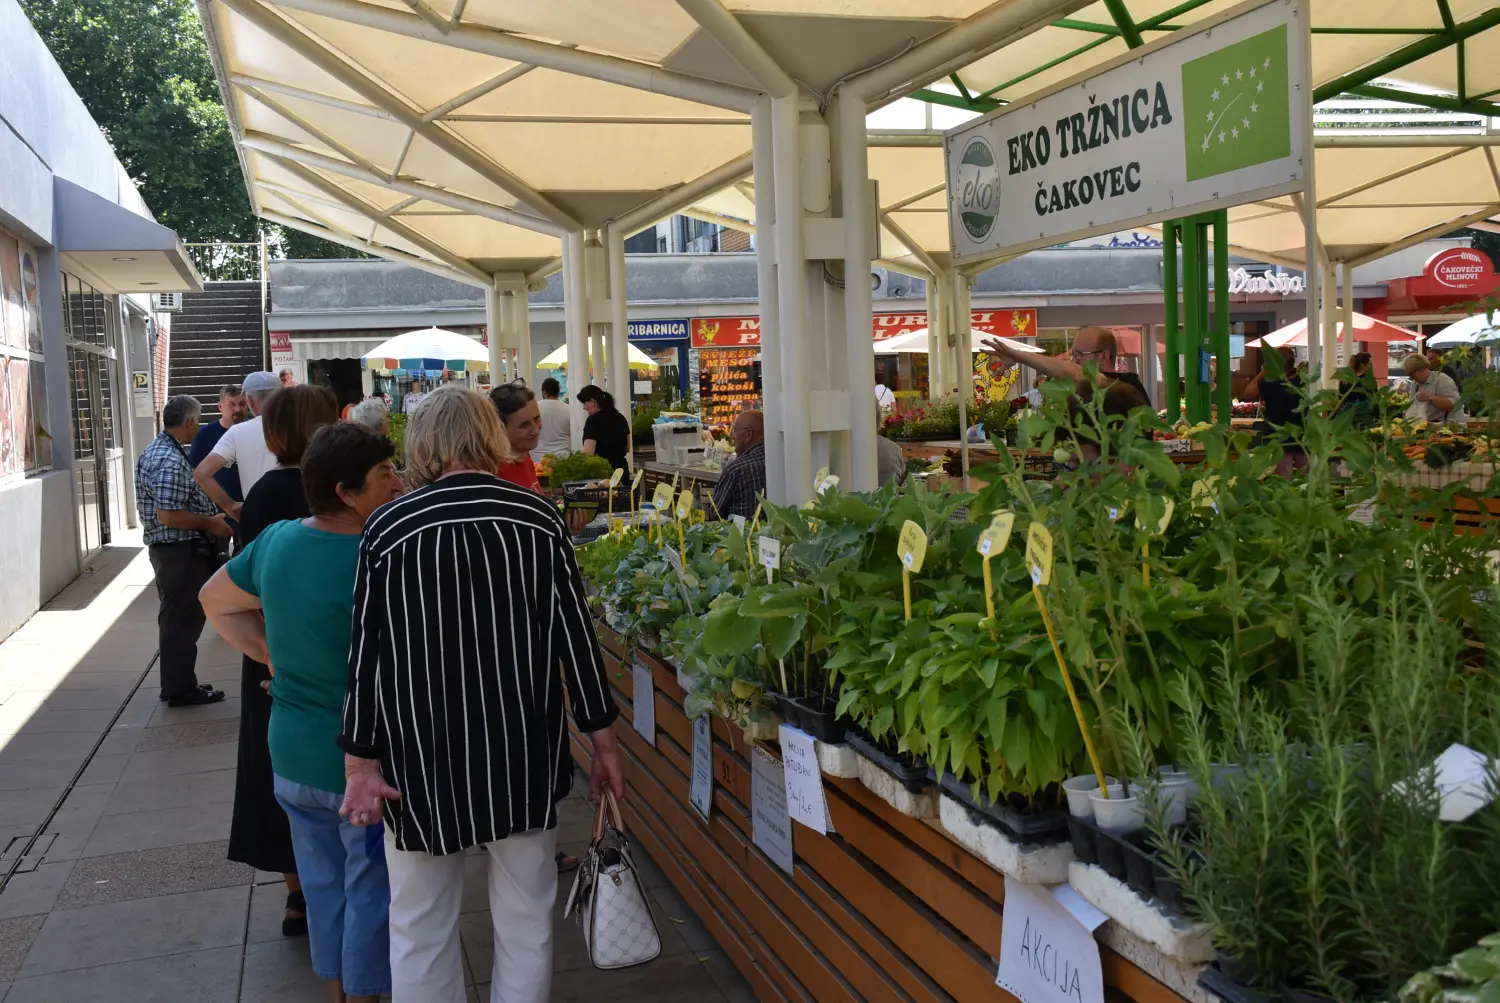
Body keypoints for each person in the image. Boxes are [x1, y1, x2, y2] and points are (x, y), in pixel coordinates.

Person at [336, 385, 623, 1003]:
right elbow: (577, 642)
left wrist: (359, 761)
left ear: (426, 443)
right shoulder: (538, 519)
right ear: (490, 437)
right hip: (519, 756)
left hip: (418, 762)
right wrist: (605, 745)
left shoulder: (387, 528)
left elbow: (367, 658)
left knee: (418, 924)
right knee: (526, 922)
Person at [201, 422, 403, 1003]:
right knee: (370, 885)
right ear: (345, 490)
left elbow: (215, 601)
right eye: (382, 475)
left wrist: (269, 654)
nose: (393, 482)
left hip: (289, 749)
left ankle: (338, 991)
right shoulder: (380, 553)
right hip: (360, 758)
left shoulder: (279, 541)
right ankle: (365, 995)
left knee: (321, 885)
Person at [226, 384, 341, 937]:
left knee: (281, 772)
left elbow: (239, 589)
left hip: (273, 649)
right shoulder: (333, 492)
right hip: (320, 646)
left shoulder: (267, 492)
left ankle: (299, 894)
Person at [134, 395, 233, 706]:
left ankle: (179, 683)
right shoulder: (166, 459)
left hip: (179, 550)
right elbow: (169, 514)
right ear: (190, 422)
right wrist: (210, 523)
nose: (198, 426)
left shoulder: (167, 451)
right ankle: (179, 689)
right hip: (178, 551)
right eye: (198, 419)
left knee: (180, 619)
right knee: (180, 621)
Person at [195, 370, 281, 520]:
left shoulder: (237, 432)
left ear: (249, 401)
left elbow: (201, 473)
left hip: (257, 515)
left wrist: (230, 506)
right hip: (299, 518)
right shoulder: (302, 426)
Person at [982, 327, 1147, 400]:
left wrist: (1019, 355)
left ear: (1103, 357)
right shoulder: (1083, 390)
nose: (1074, 360)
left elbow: (1077, 373)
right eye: (1073, 354)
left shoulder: (1126, 385)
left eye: (1079, 354)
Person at [188, 384, 251, 513]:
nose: (238, 409)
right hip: (218, 508)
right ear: (220, 407)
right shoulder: (204, 435)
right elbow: (195, 472)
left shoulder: (254, 431)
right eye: (232, 404)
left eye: (242, 404)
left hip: (251, 504)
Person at [1244, 347, 1307, 475]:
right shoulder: (1302, 381)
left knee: (1283, 481)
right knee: (1311, 478)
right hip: (1302, 436)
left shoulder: (1271, 382)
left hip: (1278, 439)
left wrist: (1263, 372)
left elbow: (1248, 393)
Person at [712, 410, 766, 520]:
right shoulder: (779, 461)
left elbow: (716, 513)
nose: (732, 436)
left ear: (748, 434)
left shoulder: (736, 469)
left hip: (740, 534)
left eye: (734, 430)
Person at [489, 381, 541, 493]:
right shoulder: (495, 471)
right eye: (524, 425)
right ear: (500, 429)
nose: (536, 430)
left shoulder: (524, 457)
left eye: (537, 418)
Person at [575, 384, 630, 472]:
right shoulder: (620, 417)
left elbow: (588, 454)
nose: (584, 407)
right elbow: (627, 447)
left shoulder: (592, 421)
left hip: (602, 472)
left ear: (592, 401)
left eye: (584, 403)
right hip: (621, 471)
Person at [1404, 353, 1464, 424]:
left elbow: (1454, 405)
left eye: (1412, 374)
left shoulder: (1441, 379)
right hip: (1426, 427)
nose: (1411, 378)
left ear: (1422, 368)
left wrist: (1430, 398)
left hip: (1446, 429)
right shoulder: (1415, 384)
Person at [533, 377, 572, 461]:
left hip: (538, 457)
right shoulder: (568, 408)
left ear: (544, 392)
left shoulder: (535, 407)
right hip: (563, 456)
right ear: (558, 392)